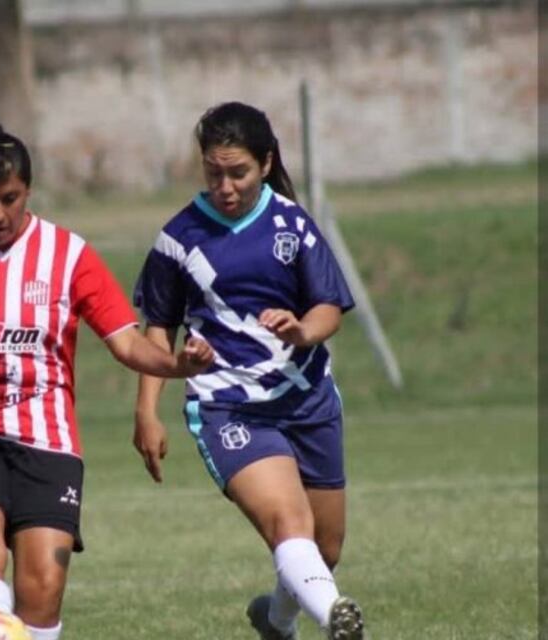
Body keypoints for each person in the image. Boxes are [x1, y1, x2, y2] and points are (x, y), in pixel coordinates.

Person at [0, 124, 214, 640]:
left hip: (47, 437)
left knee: (43, 588)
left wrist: (180, 366)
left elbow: (126, 342)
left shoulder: (69, 255)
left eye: (9, 199)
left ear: (28, 189)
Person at [131, 102, 366, 640]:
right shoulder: (178, 238)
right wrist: (147, 411)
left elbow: (328, 306)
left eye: (237, 172)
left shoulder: (291, 223)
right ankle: (339, 621)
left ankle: (277, 621)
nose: (226, 186)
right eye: (214, 172)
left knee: (324, 549)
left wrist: (302, 331)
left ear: (265, 163)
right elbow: (157, 330)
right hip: (228, 406)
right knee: (290, 524)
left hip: (307, 398)